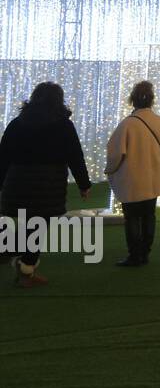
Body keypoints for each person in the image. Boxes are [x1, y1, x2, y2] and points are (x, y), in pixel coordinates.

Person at [0, 82, 92, 287]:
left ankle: (20, 263)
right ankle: (23, 267)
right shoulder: (63, 125)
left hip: (17, 184)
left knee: (30, 227)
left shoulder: (17, 123)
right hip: (48, 186)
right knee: (37, 229)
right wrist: (83, 184)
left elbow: (3, 156)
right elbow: (75, 156)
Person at [105, 81, 160, 267]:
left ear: (132, 100)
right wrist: (159, 165)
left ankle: (135, 254)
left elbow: (115, 153)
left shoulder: (127, 124)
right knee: (148, 215)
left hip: (131, 179)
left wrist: (110, 170)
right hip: (153, 178)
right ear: (152, 100)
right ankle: (145, 252)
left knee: (132, 217)